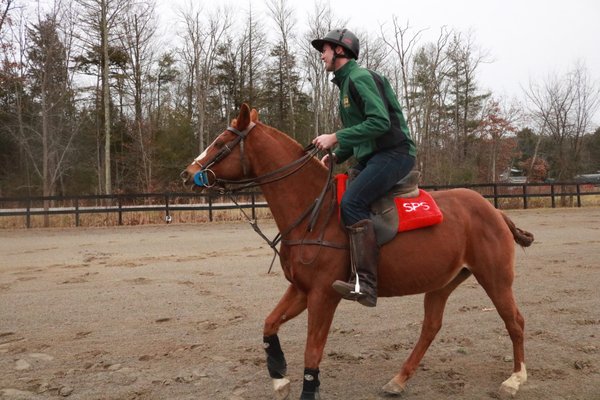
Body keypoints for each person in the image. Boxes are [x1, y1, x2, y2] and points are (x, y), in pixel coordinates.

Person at [311, 28, 416, 307]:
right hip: (374, 155)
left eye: (325, 50)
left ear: (340, 51)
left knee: (352, 203)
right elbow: (360, 131)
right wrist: (337, 155)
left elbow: (379, 123)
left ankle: (366, 284)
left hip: (395, 153)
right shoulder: (345, 84)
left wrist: (335, 138)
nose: (321, 55)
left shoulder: (358, 78)